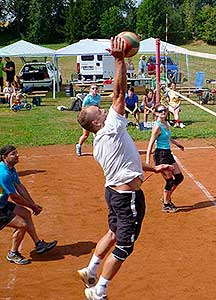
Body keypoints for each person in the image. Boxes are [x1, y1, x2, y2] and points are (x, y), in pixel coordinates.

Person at [76, 36, 173, 300]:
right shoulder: (111, 128)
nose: (105, 113)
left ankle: (91, 268)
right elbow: (118, 94)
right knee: (125, 245)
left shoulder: (100, 143)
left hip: (115, 192)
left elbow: (128, 162)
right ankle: (99, 290)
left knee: (112, 231)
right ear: (96, 124)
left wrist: (153, 168)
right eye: (100, 113)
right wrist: (119, 60)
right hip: (126, 197)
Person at [0, 145, 57, 265]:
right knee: (22, 225)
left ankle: (38, 244)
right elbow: (15, 197)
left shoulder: (10, 168)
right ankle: (13, 253)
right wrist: (33, 207)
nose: (17, 155)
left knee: (25, 213)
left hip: (2, 203)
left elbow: (20, 187)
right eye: (13, 154)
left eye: (16, 153)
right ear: (4, 157)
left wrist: (32, 204)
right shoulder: (3, 173)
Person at [146, 104, 185, 213]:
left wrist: (177, 144)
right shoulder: (157, 126)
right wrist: (148, 162)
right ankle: (166, 204)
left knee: (179, 178)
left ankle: (165, 198)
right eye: (161, 111)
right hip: (160, 155)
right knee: (170, 181)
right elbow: (150, 144)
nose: (163, 112)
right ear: (156, 113)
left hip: (168, 153)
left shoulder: (166, 123)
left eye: (165, 111)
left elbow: (168, 136)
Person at [76, 84, 101, 156]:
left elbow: (98, 106)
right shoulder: (88, 98)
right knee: (86, 135)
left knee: (97, 134)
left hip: (95, 118)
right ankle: (79, 146)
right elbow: (83, 109)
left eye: (96, 88)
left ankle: (97, 150)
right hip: (87, 118)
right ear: (90, 90)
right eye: (93, 88)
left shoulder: (98, 97)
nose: (95, 90)